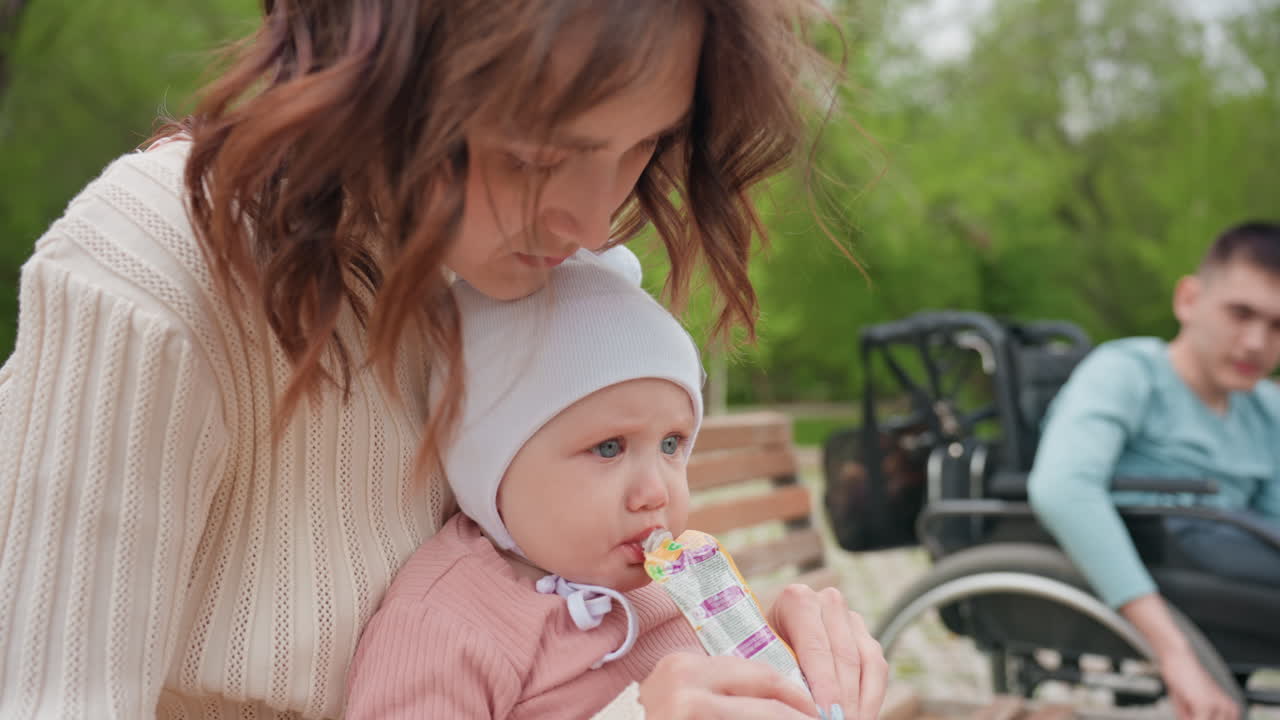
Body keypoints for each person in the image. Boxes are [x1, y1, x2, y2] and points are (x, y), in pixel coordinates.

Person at [0, 1, 888, 718]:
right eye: (541, 155)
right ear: (376, 69)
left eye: (643, 145)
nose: (591, 222)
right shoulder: (150, 264)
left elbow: (550, 614)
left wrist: (746, 654)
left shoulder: (526, 272)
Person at [347, 251, 828, 719]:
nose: (656, 492)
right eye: (609, 448)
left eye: (671, 444)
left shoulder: (676, 579)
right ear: (492, 461)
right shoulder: (445, 628)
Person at [1028, 221, 1280, 720]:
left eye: (1278, 326)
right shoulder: (1125, 373)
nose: (1256, 343)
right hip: (1172, 564)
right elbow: (1062, 488)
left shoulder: (1264, 407)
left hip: (1245, 566)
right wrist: (1173, 650)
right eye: (1241, 313)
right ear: (1189, 299)